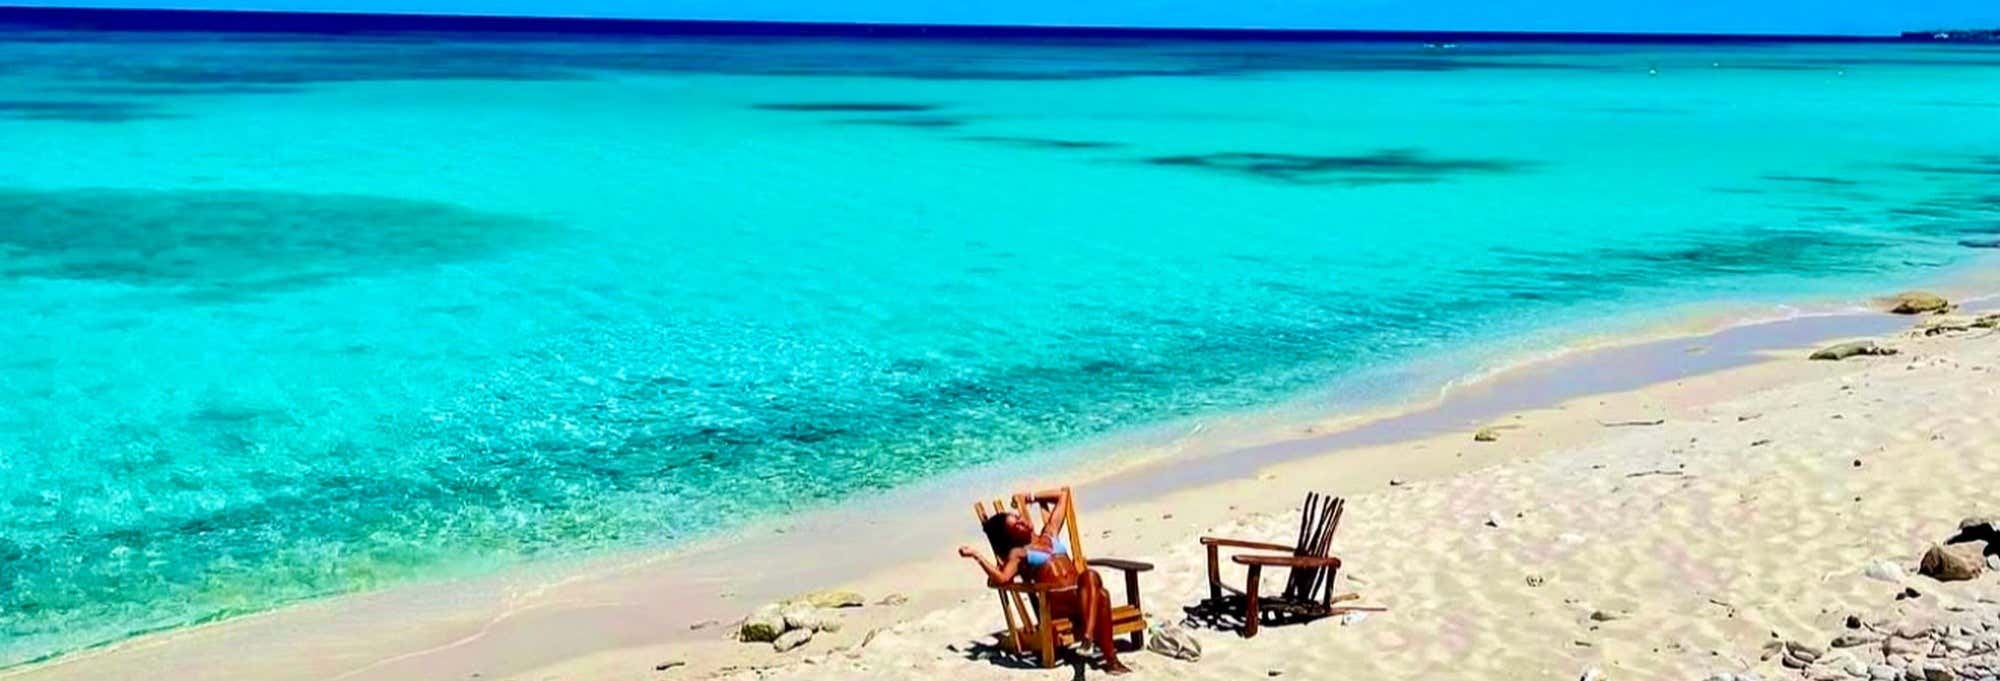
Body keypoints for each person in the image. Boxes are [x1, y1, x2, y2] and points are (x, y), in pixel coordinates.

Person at [957, 488, 1131, 675]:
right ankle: (1104, 654)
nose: (1022, 522)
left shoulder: (1049, 532)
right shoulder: (1019, 553)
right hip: (1056, 604)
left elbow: (1063, 495)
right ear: (1011, 536)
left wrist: (1030, 498)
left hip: (1081, 596)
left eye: (1019, 518)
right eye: (1016, 525)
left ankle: (1095, 646)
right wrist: (977, 556)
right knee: (1091, 579)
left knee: (1099, 590)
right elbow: (1002, 579)